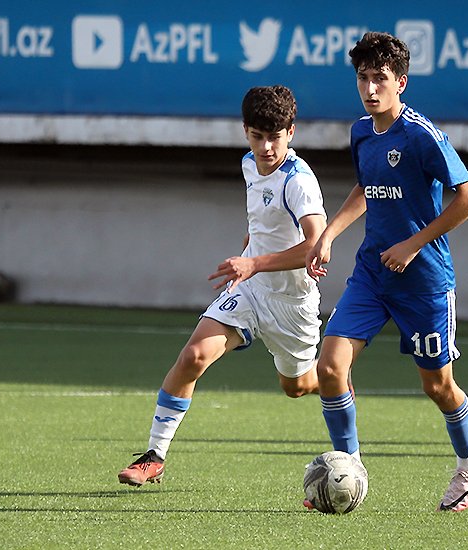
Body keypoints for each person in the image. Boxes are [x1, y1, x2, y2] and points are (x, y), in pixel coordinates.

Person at [305, 32, 468, 513]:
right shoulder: (361, 132)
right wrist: (329, 234)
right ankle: (349, 467)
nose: (370, 89)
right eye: (363, 78)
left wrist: (413, 244)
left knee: (437, 386)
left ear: (400, 82)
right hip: (372, 274)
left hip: (424, 281)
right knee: (330, 368)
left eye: (380, 79)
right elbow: (366, 188)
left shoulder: (422, 135)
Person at [118, 85, 327, 486]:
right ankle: (154, 456)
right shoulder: (250, 164)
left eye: (275, 137)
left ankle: (331, 378)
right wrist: (251, 249)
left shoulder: (299, 181)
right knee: (193, 356)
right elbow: (263, 220)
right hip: (250, 290)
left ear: (291, 132)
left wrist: (255, 262)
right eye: (257, 136)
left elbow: (318, 246)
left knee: (297, 387)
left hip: (292, 303)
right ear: (245, 130)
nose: (266, 147)